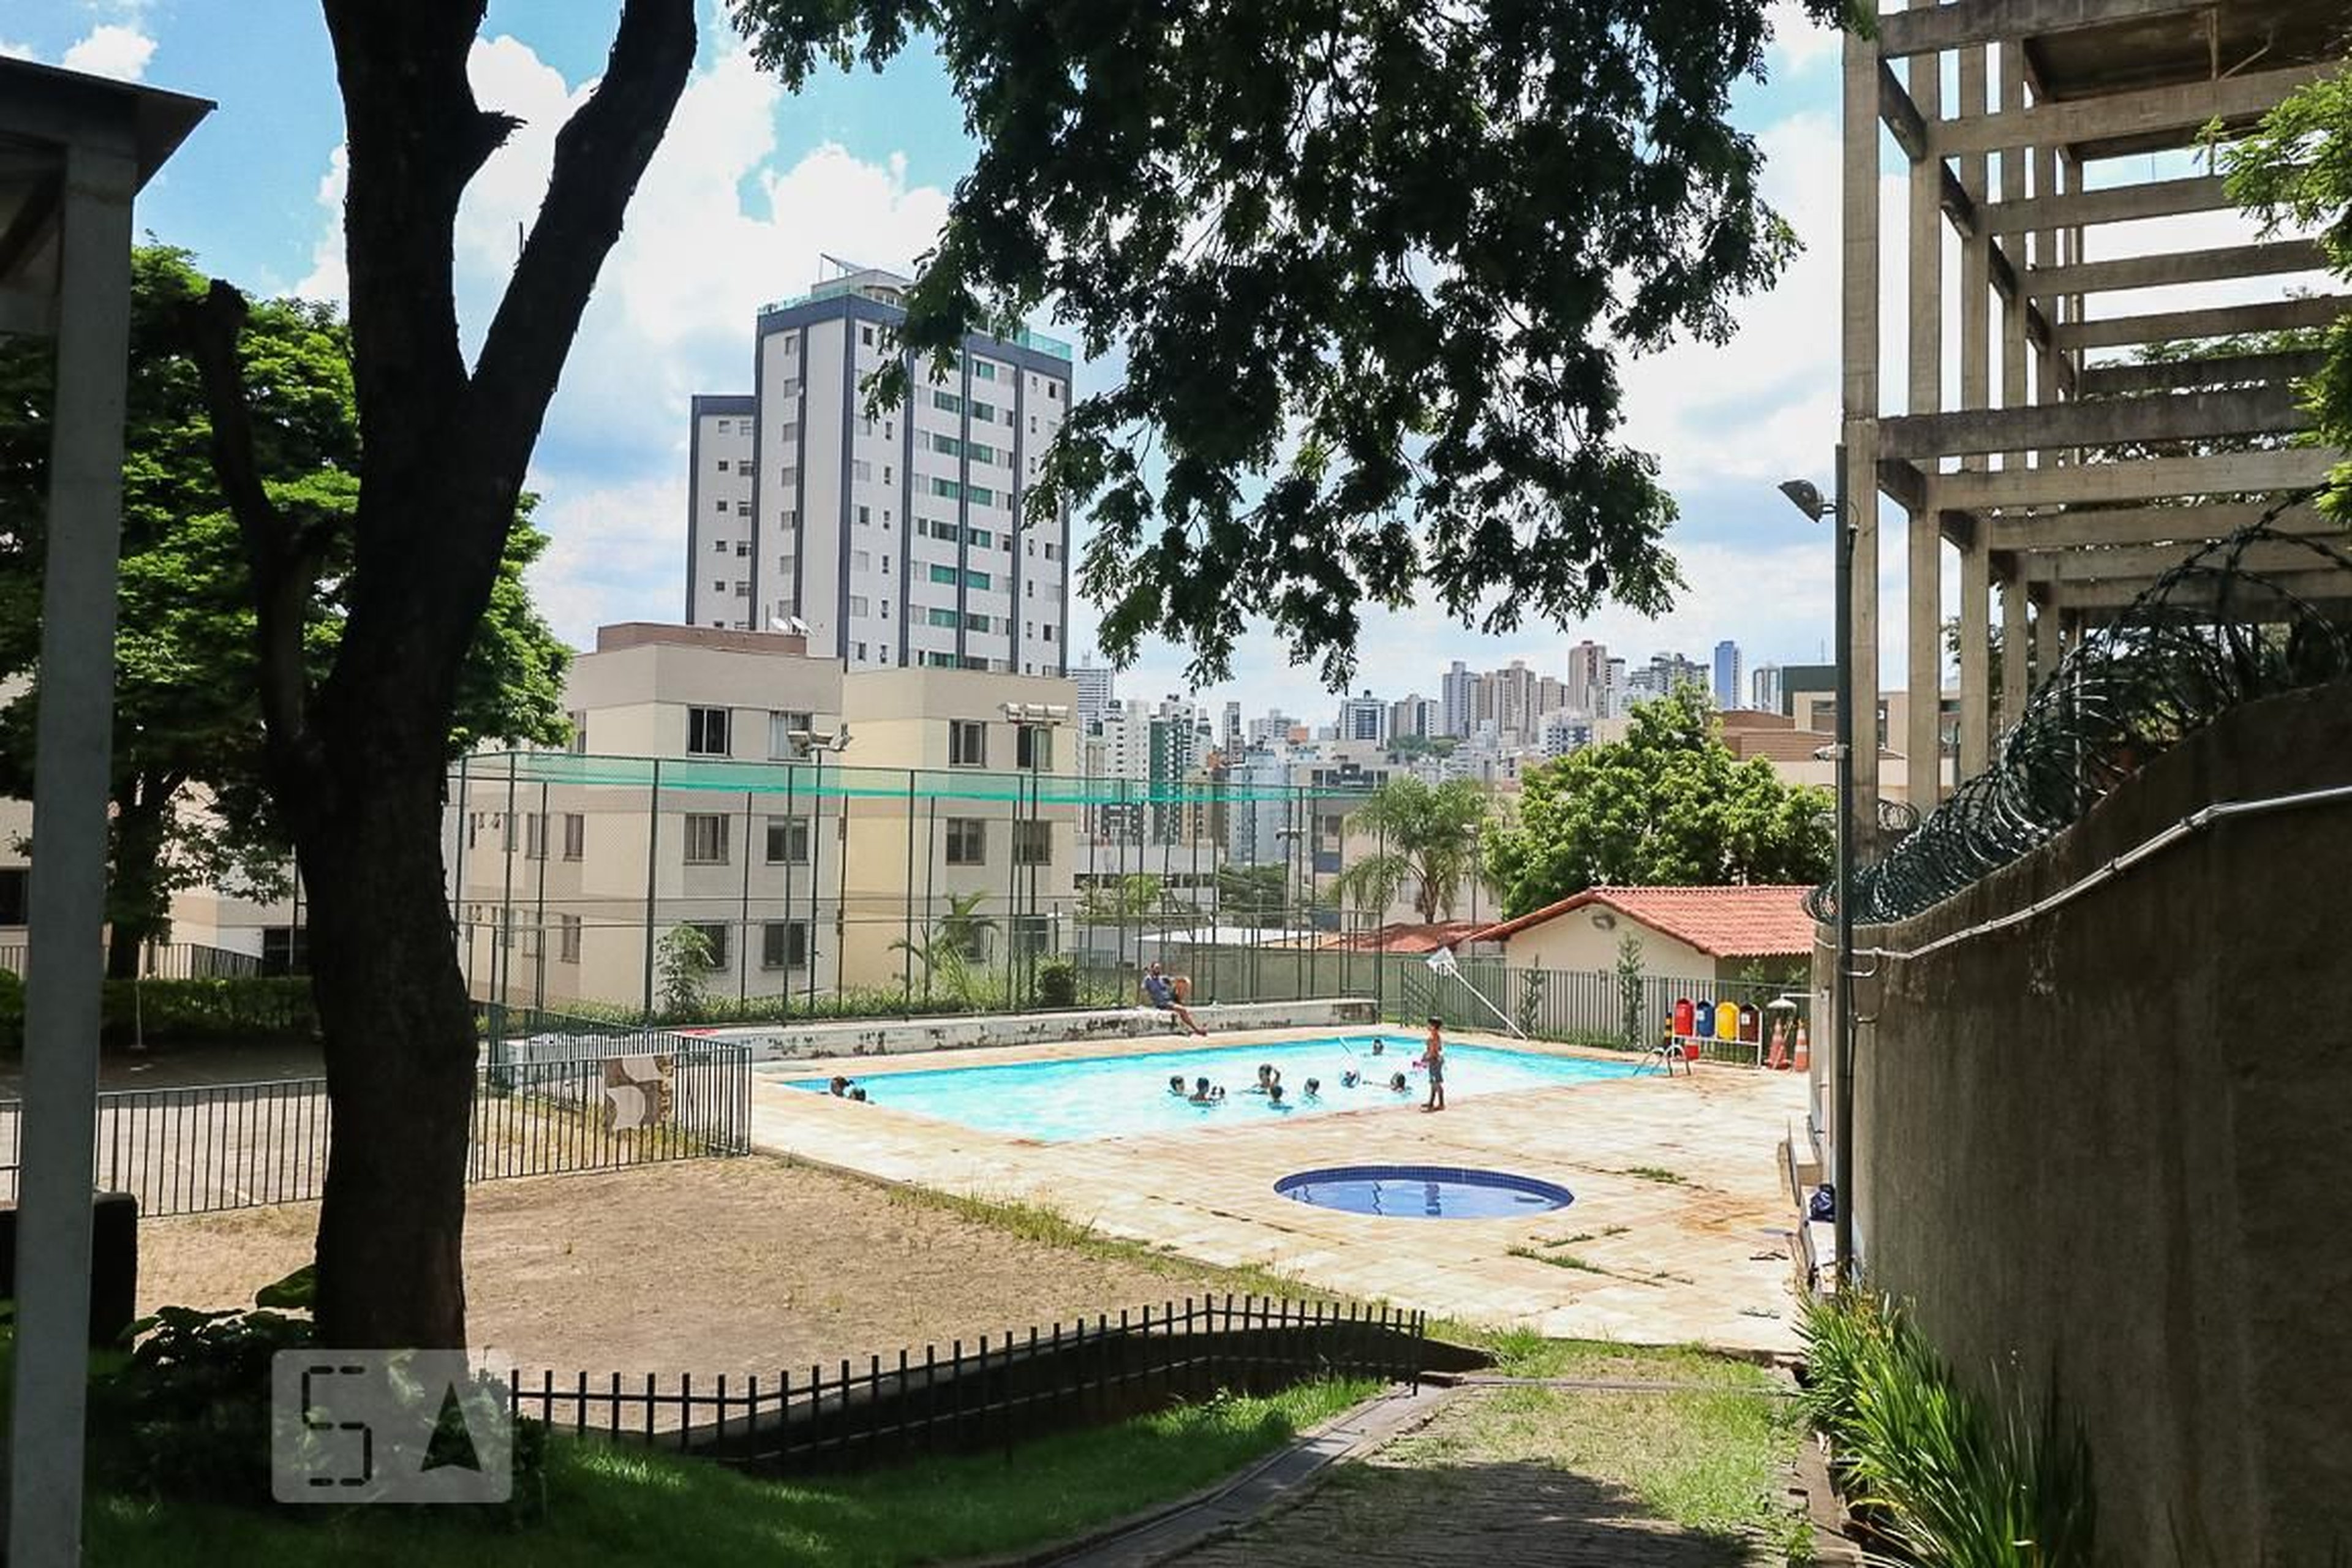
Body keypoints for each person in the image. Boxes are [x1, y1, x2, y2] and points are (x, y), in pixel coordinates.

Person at [1141, 962, 1208, 1037]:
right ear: (1152, 969)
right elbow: (1143, 991)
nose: (1158, 970)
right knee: (1183, 1010)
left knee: (1181, 983)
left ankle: (1180, 1002)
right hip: (1163, 1003)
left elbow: (1175, 980)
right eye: (1156, 968)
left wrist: (1185, 980)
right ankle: (1197, 1030)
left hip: (1170, 999)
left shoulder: (1162, 978)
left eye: (1159, 968)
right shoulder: (1148, 980)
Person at [1419, 1016, 1447, 1112]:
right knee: (1433, 1083)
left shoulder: (1432, 1038)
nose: (1427, 1026)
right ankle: (1431, 1102)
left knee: (1437, 1083)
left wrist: (1425, 1059)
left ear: (1434, 1026)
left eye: (1429, 1024)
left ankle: (1442, 1104)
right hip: (1436, 1060)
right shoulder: (1437, 1036)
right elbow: (1439, 1049)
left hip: (1434, 1061)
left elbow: (1432, 1052)